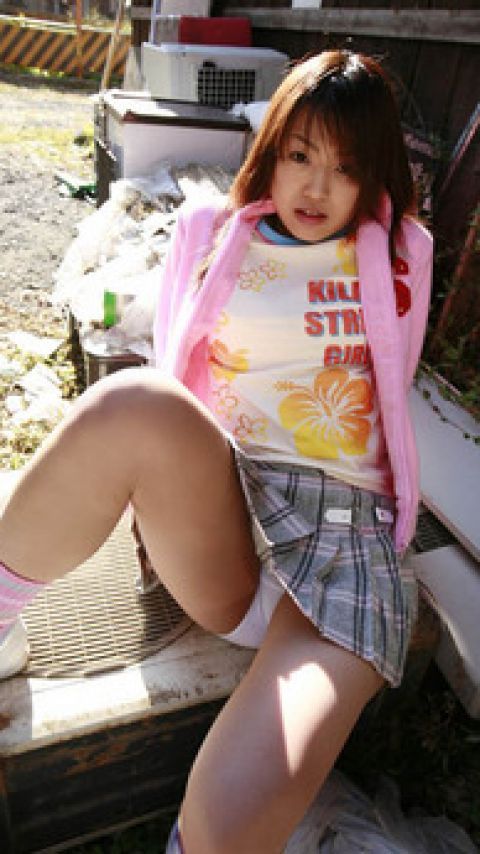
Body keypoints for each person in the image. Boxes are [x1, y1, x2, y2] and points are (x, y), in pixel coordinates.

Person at [0, 50, 432, 853]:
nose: (316, 186)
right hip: (232, 521)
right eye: (300, 154)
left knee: (226, 824)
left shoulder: (400, 252)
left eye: (346, 167)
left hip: (343, 551)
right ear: (272, 149)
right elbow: (177, 361)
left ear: (373, 177)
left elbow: (394, 380)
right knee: (134, 401)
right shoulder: (212, 232)